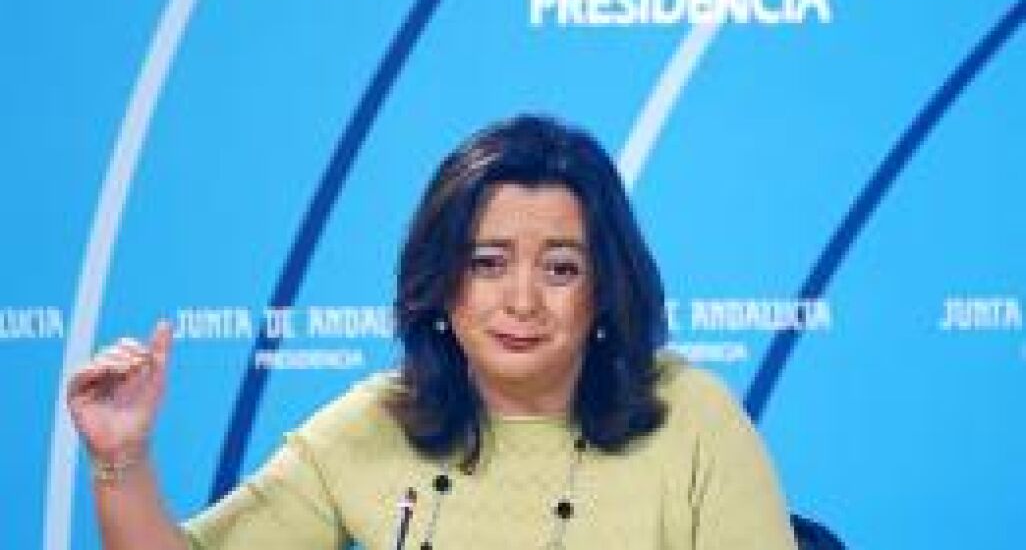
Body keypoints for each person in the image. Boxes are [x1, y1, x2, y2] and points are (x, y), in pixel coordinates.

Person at [68, 114, 798, 549]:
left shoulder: (691, 419)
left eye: (561, 269)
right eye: (488, 263)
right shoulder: (377, 423)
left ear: (604, 289)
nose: (522, 301)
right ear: (443, 283)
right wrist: (121, 458)